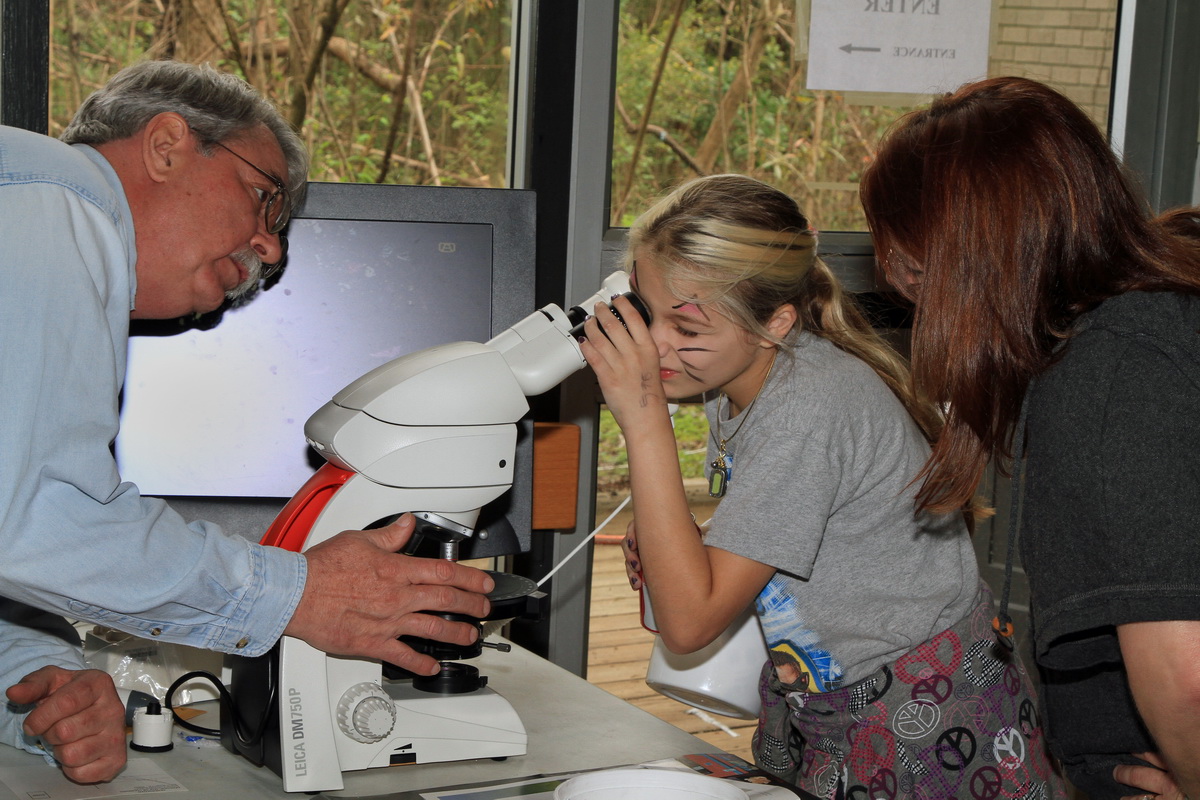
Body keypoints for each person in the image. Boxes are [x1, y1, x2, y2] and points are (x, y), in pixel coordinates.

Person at [0, 60, 494, 781]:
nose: (273, 249)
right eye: (263, 200)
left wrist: (36, 672)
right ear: (167, 144)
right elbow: (34, 518)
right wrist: (298, 593)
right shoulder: (52, 204)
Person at [579, 173, 1065, 798]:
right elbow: (812, 515)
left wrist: (643, 415)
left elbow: (690, 623)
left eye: (690, 331)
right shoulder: (750, 380)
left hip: (921, 715)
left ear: (775, 322)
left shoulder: (808, 405)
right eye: (647, 315)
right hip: (832, 694)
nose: (655, 347)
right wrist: (704, 543)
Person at [859, 76, 1200, 800]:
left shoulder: (1108, 375)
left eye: (916, 269)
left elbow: (1189, 677)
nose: (910, 295)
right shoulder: (1166, 307)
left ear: (971, 260)